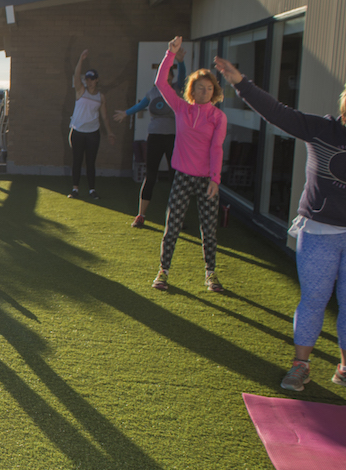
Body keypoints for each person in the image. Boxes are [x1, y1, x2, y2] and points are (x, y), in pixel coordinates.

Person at [214, 58, 346, 398]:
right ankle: (300, 365)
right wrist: (241, 83)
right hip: (320, 232)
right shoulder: (320, 130)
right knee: (314, 298)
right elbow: (276, 112)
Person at [151, 36, 227, 293]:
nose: (204, 92)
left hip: (207, 180)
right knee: (172, 227)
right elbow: (160, 82)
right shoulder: (182, 109)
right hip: (183, 177)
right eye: (199, 87)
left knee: (209, 230)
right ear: (192, 90)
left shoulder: (218, 117)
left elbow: (216, 148)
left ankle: (210, 274)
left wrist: (215, 179)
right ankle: (163, 272)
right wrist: (169, 54)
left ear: (214, 91)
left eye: (208, 88)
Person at [113, 48, 186, 227]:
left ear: (172, 77)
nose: (167, 78)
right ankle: (141, 215)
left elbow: (184, 77)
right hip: (154, 137)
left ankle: (177, 218)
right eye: (163, 75)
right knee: (150, 175)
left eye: (169, 75)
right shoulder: (152, 92)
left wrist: (181, 61)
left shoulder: (177, 90)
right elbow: (140, 105)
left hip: (172, 138)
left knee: (174, 176)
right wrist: (126, 113)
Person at [68, 49, 116, 200]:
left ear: (97, 80)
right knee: (76, 160)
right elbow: (76, 76)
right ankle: (75, 189)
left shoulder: (100, 97)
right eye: (87, 79)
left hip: (93, 133)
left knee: (90, 162)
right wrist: (80, 60)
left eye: (92, 79)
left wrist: (109, 132)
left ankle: (91, 190)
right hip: (77, 131)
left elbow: (105, 117)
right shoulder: (80, 90)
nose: (89, 81)